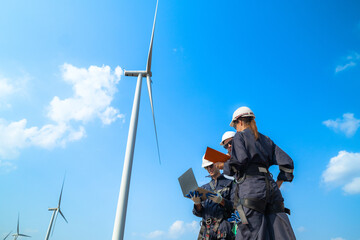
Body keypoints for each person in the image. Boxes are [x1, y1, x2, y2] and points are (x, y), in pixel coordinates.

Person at [221, 106, 296, 240]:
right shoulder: (266, 139)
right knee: (280, 233)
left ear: (240, 122)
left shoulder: (240, 136)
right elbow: (287, 162)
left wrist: (224, 165)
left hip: (252, 189)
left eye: (235, 126)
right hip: (272, 190)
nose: (235, 129)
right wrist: (277, 183)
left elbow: (240, 161)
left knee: (249, 233)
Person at [187, 156, 235, 240]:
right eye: (206, 167)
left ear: (217, 164)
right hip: (207, 232)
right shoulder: (204, 189)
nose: (209, 169)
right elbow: (199, 213)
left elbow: (235, 206)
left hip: (224, 230)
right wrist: (197, 203)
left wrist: (222, 201)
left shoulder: (230, 184)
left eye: (211, 166)